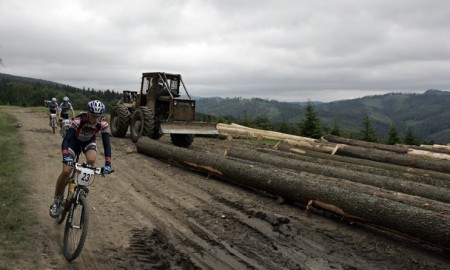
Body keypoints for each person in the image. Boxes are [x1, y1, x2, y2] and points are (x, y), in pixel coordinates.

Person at [49, 100, 113, 218]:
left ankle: (80, 185)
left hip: (88, 142)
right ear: (88, 113)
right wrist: (66, 156)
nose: (95, 119)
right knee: (66, 171)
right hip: (74, 142)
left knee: (92, 159)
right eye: (93, 116)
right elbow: (66, 139)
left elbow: (106, 144)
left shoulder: (103, 123)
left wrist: (108, 164)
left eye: (98, 116)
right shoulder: (79, 120)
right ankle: (57, 200)